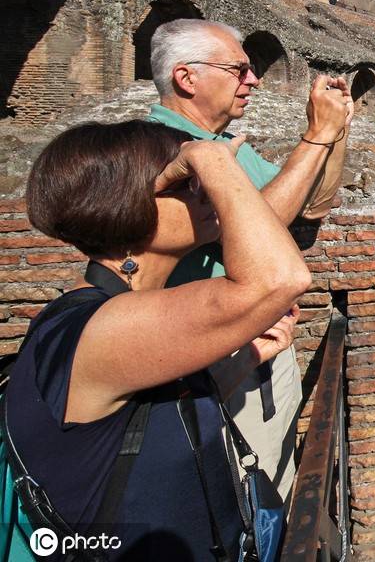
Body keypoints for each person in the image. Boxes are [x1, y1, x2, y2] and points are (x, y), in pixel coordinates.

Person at [9, 120, 311, 559]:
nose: (203, 192)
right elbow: (281, 278)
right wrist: (213, 158)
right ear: (123, 202)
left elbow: (145, 422)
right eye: (186, 183)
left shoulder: (122, 315)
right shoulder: (93, 325)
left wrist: (239, 362)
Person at [146, 19, 353, 504]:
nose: (254, 79)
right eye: (238, 69)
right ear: (186, 78)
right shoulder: (159, 147)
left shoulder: (226, 147)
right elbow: (263, 224)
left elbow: (313, 205)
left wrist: (336, 133)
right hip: (209, 369)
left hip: (258, 355)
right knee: (240, 498)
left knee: (275, 482)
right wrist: (316, 137)